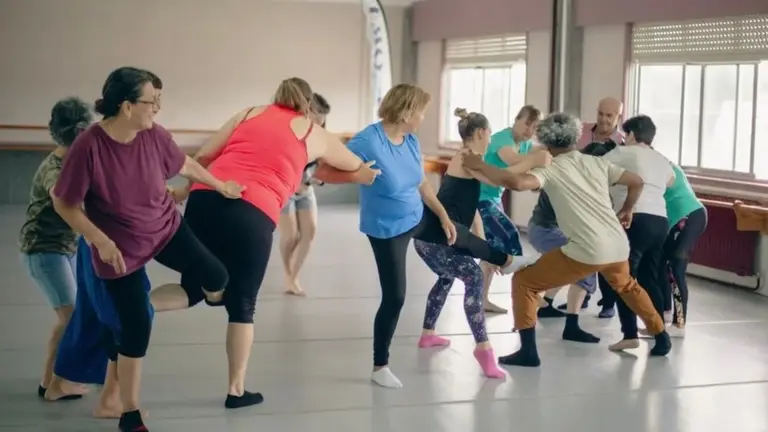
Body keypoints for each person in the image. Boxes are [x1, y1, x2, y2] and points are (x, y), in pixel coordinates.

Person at [157, 77, 380, 409]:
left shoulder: (248, 113)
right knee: (242, 304)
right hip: (253, 212)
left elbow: (203, 155)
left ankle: (134, 310)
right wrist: (362, 175)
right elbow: (351, 165)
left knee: (192, 287)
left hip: (207, 199)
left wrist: (184, 191)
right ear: (307, 104)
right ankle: (236, 390)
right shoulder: (311, 131)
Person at [52, 66, 244, 432]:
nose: (157, 107)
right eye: (151, 101)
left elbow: (183, 163)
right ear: (126, 106)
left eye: (159, 100)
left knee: (217, 277)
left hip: (165, 229)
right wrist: (100, 240)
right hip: (119, 249)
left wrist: (220, 185)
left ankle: (137, 310)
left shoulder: (153, 135)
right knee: (137, 329)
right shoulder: (89, 147)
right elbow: (65, 204)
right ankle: (130, 413)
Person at [315, 84, 535, 388]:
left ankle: (507, 260)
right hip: (386, 228)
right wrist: (357, 176)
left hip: (416, 215)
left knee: (456, 234)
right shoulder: (368, 141)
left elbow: (422, 185)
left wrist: (443, 217)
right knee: (395, 297)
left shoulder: (410, 140)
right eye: (421, 112)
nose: (422, 118)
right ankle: (380, 367)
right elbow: (322, 172)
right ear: (406, 111)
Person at [461, 112, 671, 368]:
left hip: (587, 248)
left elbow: (515, 182)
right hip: (617, 244)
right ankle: (661, 336)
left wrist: (479, 165)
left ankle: (528, 352)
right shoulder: (596, 163)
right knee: (628, 287)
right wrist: (627, 209)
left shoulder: (550, 168)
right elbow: (636, 182)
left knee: (525, 282)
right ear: (574, 137)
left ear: (545, 141)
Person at [415, 108, 542, 379]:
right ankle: (483, 351)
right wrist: (535, 159)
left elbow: (466, 204)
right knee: (472, 276)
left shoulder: (465, 159)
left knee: (446, 278)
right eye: (489, 134)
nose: (491, 139)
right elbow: (505, 176)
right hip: (438, 238)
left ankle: (428, 335)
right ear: (482, 133)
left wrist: (480, 239)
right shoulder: (470, 159)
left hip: (432, 238)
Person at [19, 97, 93, 401]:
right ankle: (51, 382)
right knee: (70, 315)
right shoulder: (56, 169)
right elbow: (61, 197)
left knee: (75, 313)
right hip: (43, 250)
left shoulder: (76, 161)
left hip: (65, 248)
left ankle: (58, 379)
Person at [524, 141, 616, 344]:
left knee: (568, 266)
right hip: (545, 230)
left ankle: (546, 305)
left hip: (544, 229)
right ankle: (571, 327)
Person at [599, 115, 675, 351]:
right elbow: (671, 182)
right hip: (659, 221)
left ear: (631, 135)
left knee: (623, 278)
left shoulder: (622, 153)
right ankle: (658, 329)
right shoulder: (661, 159)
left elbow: (598, 170)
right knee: (649, 277)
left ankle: (630, 333)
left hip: (634, 219)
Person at [476, 105, 544, 314]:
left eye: (534, 127)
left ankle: (481, 299)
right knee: (511, 234)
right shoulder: (502, 139)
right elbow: (513, 162)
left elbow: (535, 159)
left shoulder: (524, 145)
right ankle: (526, 287)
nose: (529, 130)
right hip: (480, 198)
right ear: (516, 120)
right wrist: (535, 160)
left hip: (494, 198)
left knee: (490, 253)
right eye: (526, 124)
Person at [278, 93, 330, 296]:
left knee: (310, 232)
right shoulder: (290, 133)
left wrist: (319, 179)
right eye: (316, 119)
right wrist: (294, 183)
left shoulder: (320, 138)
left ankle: (293, 278)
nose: (318, 125)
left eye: (322, 122)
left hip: (306, 190)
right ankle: (287, 273)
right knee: (290, 236)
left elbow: (325, 166)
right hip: (286, 190)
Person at [656, 163, 707, 337]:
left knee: (676, 270)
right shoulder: (655, 162)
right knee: (661, 265)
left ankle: (679, 324)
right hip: (677, 220)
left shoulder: (659, 165)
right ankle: (665, 314)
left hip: (690, 216)